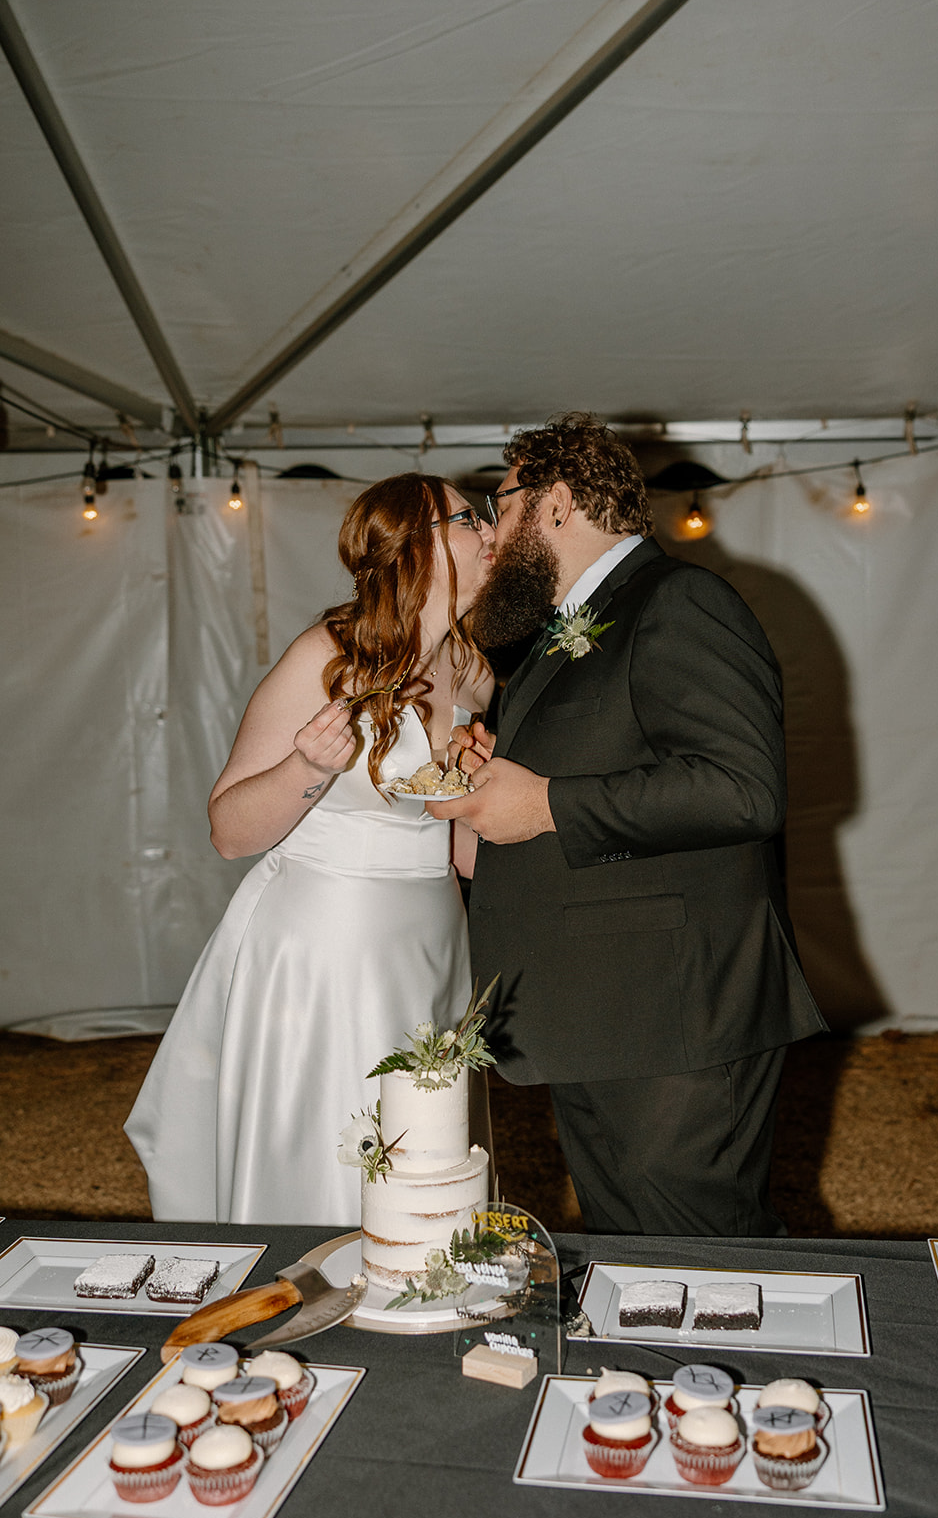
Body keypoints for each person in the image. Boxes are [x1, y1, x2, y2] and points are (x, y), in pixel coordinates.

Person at [430, 413, 826, 1237]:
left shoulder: (681, 600)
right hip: (597, 1013)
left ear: (559, 503)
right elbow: (610, 760)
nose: (489, 533)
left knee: (702, 1258)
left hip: (674, 1018)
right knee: (634, 1261)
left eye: (499, 504)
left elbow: (741, 789)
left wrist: (541, 803)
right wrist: (496, 767)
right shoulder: (562, 632)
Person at [125, 474, 495, 1223]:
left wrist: (481, 795)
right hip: (324, 945)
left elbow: (460, 853)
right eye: (470, 519)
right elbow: (228, 831)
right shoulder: (328, 655)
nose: (490, 532)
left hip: (430, 942)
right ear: (415, 545)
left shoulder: (475, 671)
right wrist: (307, 769)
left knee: (425, 1145)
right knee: (333, 1142)